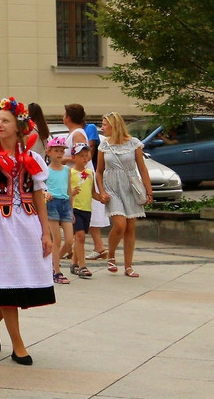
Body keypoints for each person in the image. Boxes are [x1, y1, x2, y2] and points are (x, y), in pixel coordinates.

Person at [0, 97, 54, 366]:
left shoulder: (32, 157)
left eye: (5, 120)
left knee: (22, 280)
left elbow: (38, 194)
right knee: (6, 281)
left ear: (18, 126)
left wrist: (46, 231)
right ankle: (18, 345)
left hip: (27, 224)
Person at [95, 112, 153, 278]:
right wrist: (102, 191)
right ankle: (111, 255)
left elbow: (142, 168)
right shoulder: (104, 146)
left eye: (104, 124)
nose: (102, 127)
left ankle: (128, 266)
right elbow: (99, 171)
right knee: (120, 224)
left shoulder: (134, 143)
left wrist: (148, 191)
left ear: (114, 125)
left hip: (130, 187)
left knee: (130, 227)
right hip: (112, 187)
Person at [64, 103, 107, 261]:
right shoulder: (76, 133)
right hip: (76, 176)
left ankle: (89, 248)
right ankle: (92, 247)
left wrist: (62, 159)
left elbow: (83, 155)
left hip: (80, 177)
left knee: (81, 210)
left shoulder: (77, 134)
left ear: (68, 117)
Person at [42, 136, 79, 285]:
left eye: (61, 151)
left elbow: (69, 191)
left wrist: (71, 209)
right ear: (49, 152)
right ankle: (56, 271)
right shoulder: (46, 170)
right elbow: (40, 188)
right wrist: (45, 193)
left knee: (69, 240)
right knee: (56, 239)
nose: (59, 153)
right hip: (52, 204)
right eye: (56, 150)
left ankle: (54, 262)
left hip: (64, 204)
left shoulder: (67, 170)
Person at [68, 144, 96, 278]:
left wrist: (102, 197)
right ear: (74, 157)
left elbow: (93, 192)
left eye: (86, 156)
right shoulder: (70, 173)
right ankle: (82, 266)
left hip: (87, 209)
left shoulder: (90, 173)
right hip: (75, 208)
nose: (84, 159)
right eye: (81, 156)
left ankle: (74, 263)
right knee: (80, 236)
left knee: (79, 237)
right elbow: (66, 192)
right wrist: (71, 194)